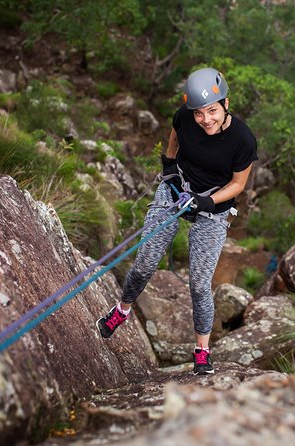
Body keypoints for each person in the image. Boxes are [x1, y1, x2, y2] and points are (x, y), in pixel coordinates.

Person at [96, 67, 258, 375]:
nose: (205, 119)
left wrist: (208, 201)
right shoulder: (185, 117)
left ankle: (202, 350)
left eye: (212, 110)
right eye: (199, 113)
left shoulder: (243, 140)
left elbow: (238, 184)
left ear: (225, 104)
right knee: (145, 262)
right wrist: (169, 166)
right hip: (176, 189)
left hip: (214, 203)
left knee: (199, 284)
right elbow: (175, 135)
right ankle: (121, 311)